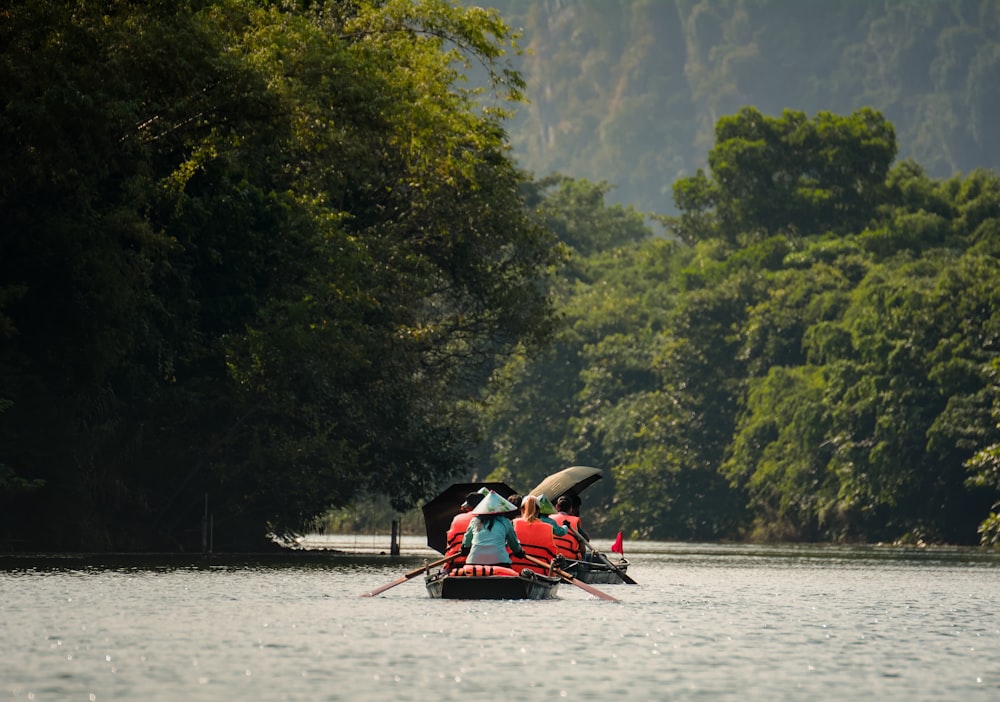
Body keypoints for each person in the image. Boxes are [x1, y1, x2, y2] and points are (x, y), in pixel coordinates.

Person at [461, 490, 525, 566]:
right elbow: (514, 545)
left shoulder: (475, 521)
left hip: (473, 562)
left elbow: (466, 544)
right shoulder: (505, 522)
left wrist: (464, 550)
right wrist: (519, 552)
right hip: (500, 562)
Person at [510, 495, 558, 574]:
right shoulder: (549, 528)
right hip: (540, 572)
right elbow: (553, 554)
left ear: (522, 509)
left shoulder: (513, 523)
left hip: (514, 570)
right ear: (538, 511)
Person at [444, 491, 485, 565]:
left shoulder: (457, 518)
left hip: (455, 561)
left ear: (469, 507)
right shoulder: (490, 520)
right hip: (481, 563)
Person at [551, 494, 586, 561]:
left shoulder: (549, 519)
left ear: (557, 507)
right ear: (570, 509)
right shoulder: (574, 521)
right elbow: (583, 550)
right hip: (570, 560)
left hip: (552, 558)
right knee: (601, 557)